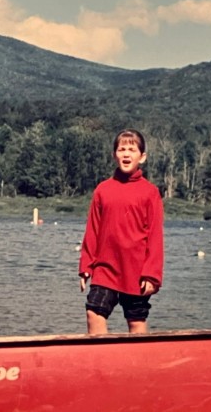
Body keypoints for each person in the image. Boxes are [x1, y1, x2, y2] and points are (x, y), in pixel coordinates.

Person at [78, 129, 165, 334]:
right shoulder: (103, 189)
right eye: (121, 149)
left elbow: (155, 237)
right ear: (114, 155)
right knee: (94, 312)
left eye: (132, 150)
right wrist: (86, 266)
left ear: (142, 157)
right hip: (105, 268)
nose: (126, 154)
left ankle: (139, 365)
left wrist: (152, 275)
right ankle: (101, 362)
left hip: (136, 271)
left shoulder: (150, 192)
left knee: (136, 321)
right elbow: (93, 230)